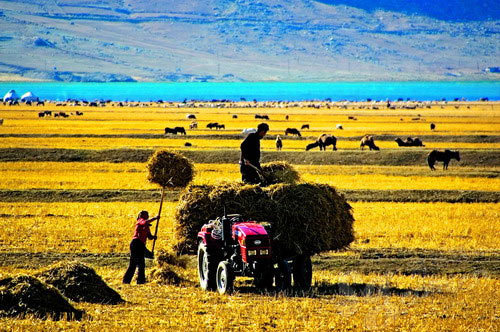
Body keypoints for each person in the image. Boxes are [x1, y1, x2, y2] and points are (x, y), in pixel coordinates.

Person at [123, 210, 159, 284]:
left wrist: (153, 237)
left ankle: (140, 281)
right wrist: (155, 218)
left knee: (141, 264)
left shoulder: (146, 227)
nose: (148, 216)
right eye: (147, 215)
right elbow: (145, 222)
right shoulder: (140, 221)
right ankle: (127, 281)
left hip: (141, 245)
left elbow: (149, 236)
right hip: (136, 243)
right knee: (134, 264)